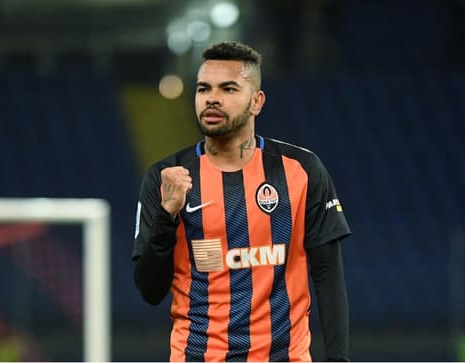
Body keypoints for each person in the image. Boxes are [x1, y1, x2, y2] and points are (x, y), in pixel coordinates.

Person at [131, 41, 350, 362]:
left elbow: (328, 274)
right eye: (203, 88)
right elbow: (150, 291)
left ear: (256, 102)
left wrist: (339, 360)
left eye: (228, 88)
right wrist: (167, 215)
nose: (212, 98)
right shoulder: (165, 177)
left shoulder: (301, 170)